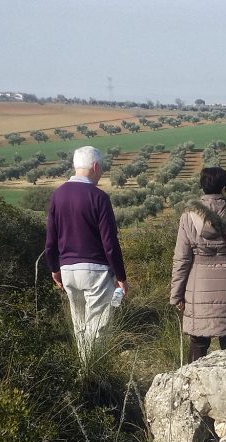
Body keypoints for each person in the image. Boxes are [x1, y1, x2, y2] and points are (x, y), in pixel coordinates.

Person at [45, 145, 128, 361]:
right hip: (95, 271)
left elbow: (50, 239)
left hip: (67, 270)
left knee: (79, 326)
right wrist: (121, 276)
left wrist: (54, 268)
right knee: (98, 327)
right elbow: (109, 242)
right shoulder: (99, 197)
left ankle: (82, 371)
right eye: (101, 169)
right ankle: (94, 374)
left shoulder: (57, 195)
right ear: (95, 166)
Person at [170, 167, 226, 363]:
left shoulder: (188, 216)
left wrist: (176, 294)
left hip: (197, 284)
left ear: (203, 186)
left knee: (198, 341)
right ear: (225, 188)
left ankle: (192, 382)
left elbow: (182, 259)